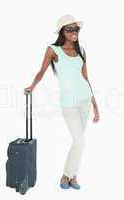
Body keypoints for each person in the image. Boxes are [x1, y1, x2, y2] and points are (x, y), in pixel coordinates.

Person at [24, 14, 100, 190]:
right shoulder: (53, 50)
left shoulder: (82, 50)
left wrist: (95, 105)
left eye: (76, 29)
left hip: (84, 100)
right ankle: (66, 175)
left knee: (78, 143)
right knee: (80, 141)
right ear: (62, 32)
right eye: (70, 29)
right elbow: (41, 72)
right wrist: (32, 86)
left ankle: (72, 177)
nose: (74, 32)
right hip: (68, 103)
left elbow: (86, 78)